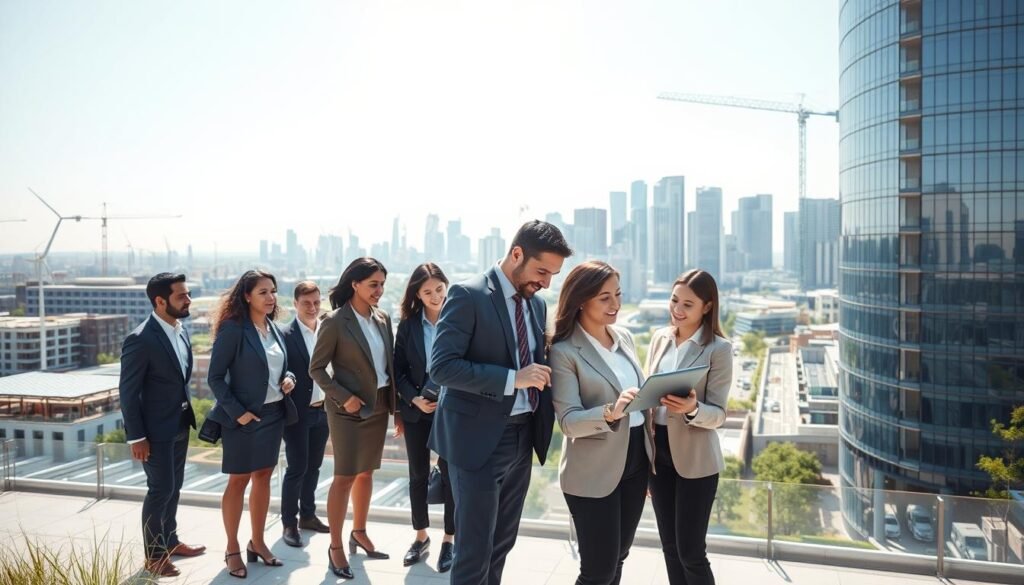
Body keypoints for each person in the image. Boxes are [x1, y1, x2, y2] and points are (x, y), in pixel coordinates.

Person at [428, 220, 573, 585]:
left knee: (500, 547)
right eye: (542, 271)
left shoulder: (537, 306)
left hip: (523, 440)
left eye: (554, 274)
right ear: (516, 253)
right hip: (476, 443)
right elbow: (442, 368)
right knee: (474, 553)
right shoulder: (467, 294)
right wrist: (513, 379)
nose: (546, 282)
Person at [548, 261, 653, 585]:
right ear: (581, 299)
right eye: (604, 298)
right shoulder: (564, 351)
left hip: (636, 461)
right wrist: (611, 411)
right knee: (598, 571)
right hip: (592, 472)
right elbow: (568, 422)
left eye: (618, 295)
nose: (616, 305)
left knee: (619, 557)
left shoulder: (624, 337)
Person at [310, 257, 402, 580]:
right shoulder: (335, 322)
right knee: (345, 477)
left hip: (378, 407)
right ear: (355, 284)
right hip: (347, 410)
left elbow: (389, 369)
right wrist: (344, 397)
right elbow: (316, 369)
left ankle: (359, 532)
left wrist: (396, 409)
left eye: (382, 285)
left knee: (366, 474)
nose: (379, 291)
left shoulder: (383, 318)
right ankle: (335, 546)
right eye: (373, 284)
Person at [207, 270, 297, 579]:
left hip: (273, 415)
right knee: (238, 481)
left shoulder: (275, 329)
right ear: (247, 296)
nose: (271, 297)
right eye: (263, 292)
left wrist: (289, 379)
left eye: (273, 291)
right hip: (243, 418)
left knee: (263, 477)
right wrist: (238, 413)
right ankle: (232, 548)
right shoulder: (233, 329)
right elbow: (215, 377)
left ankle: (257, 542)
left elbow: (286, 369)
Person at [644, 269, 733, 585]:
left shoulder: (718, 349)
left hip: (697, 461)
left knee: (691, 552)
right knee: (669, 547)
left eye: (688, 305)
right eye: (674, 300)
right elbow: (649, 398)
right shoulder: (660, 339)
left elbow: (720, 415)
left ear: (707, 307)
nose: (677, 310)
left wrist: (693, 409)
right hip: (659, 456)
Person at [119, 273, 205, 577]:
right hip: (153, 433)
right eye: (181, 295)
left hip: (179, 423)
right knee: (160, 490)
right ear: (160, 301)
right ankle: (154, 557)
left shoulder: (180, 331)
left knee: (174, 488)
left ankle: (170, 541)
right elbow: (128, 393)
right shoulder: (140, 339)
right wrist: (137, 437)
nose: (188, 300)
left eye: (188, 293)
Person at [394, 263, 455, 572]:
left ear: (447, 286)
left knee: (451, 476)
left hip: (452, 412)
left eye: (440, 289)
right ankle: (421, 537)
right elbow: (398, 370)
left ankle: (449, 540)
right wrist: (414, 399)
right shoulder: (408, 325)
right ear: (417, 294)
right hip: (418, 411)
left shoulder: (459, 319)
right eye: (428, 292)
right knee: (418, 476)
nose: (435, 296)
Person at [279, 280, 331, 547]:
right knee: (297, 468)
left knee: (314, 467)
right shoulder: (284, 335)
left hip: (324, 412)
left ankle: (308, 516)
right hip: (298, 413)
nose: (312, 308)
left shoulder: (328, 330)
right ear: (295, 304)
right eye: (306, 303)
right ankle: (289, 522)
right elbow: (279, 370)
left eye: (316, 302)